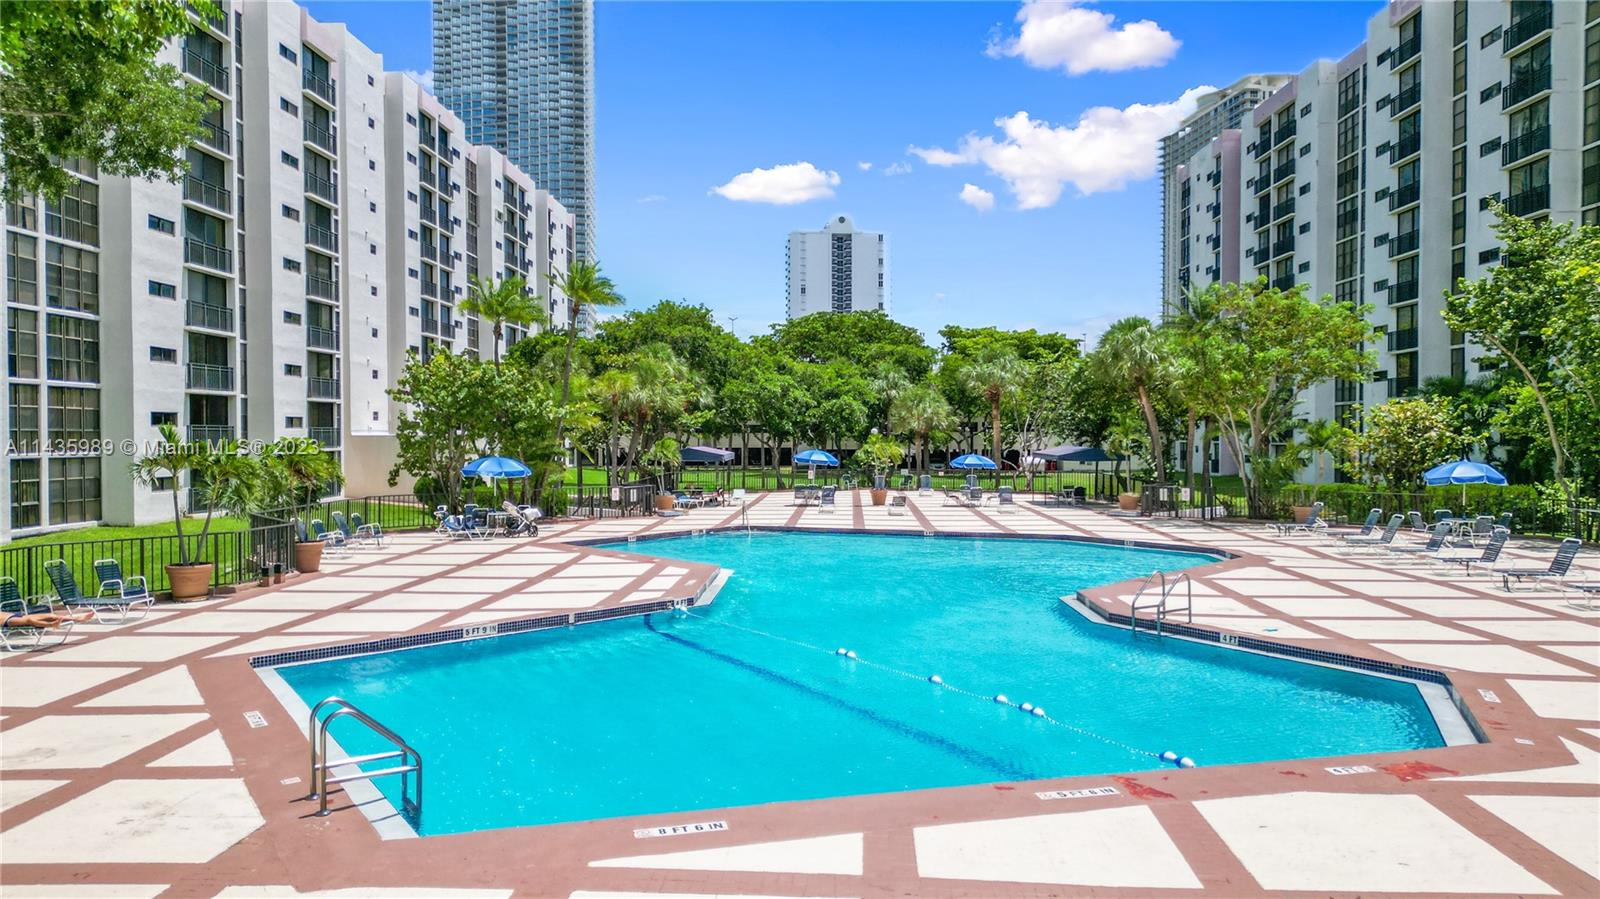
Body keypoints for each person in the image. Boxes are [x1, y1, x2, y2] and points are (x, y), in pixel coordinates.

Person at [3, 609, 94, 630]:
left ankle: (77, 619)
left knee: (51, 615)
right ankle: (51, 625)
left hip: (16, 615)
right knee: (29, 620)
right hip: (7, 621)